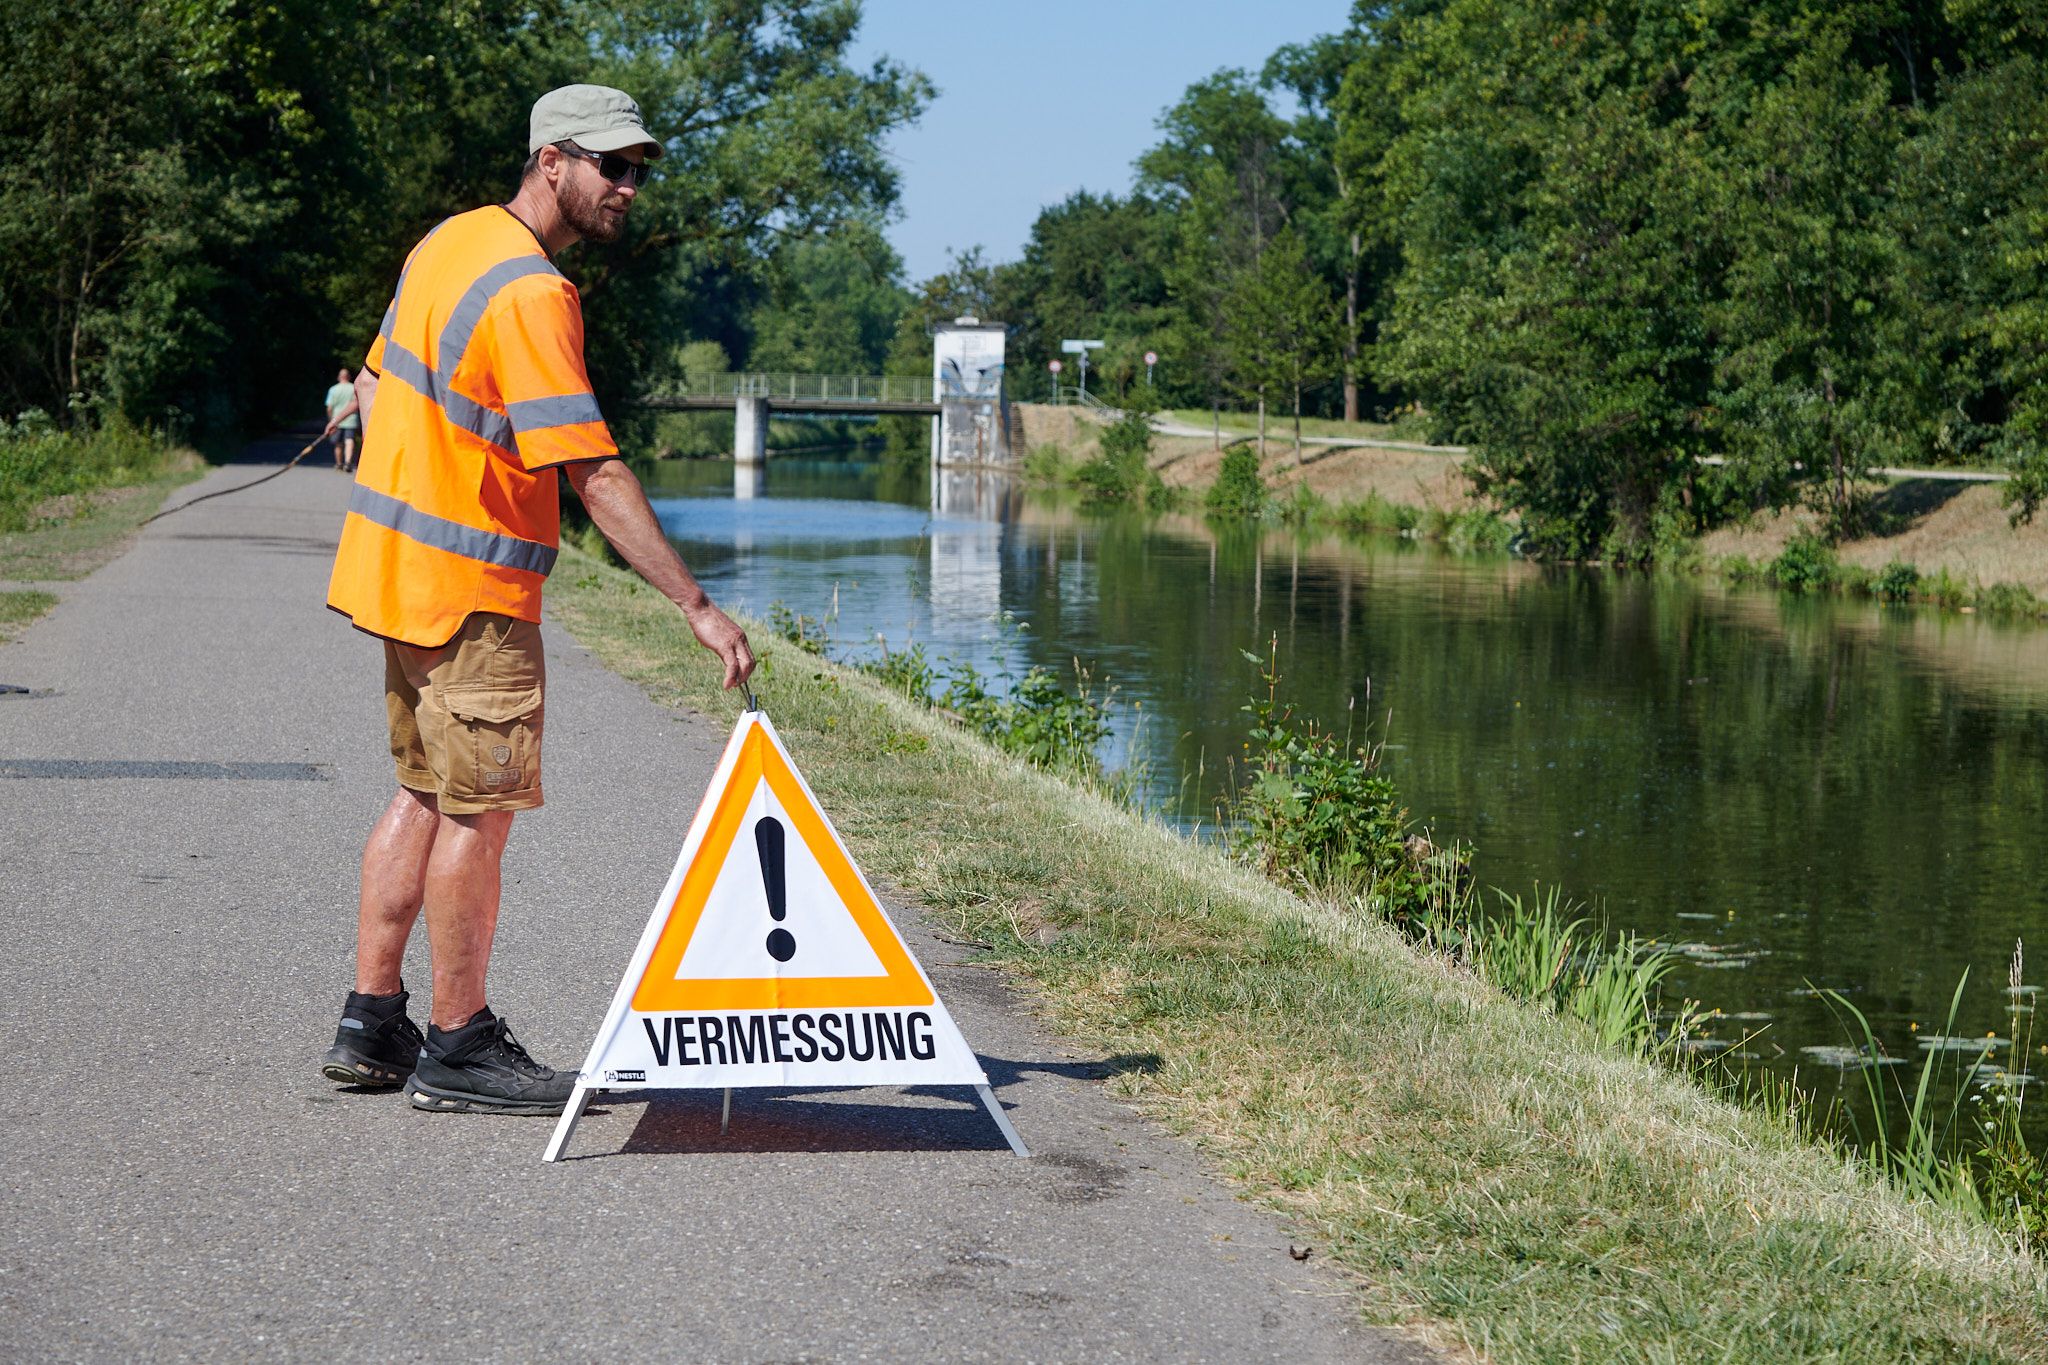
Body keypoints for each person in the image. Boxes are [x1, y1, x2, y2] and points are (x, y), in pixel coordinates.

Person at [320, 84, 754, 1115]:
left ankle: (371, 1023)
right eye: (612, 167)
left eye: (639, 170)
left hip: (396, 576)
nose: (629, 188)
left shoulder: (450, 242)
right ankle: (459, 1044)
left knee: (424, 793)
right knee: (480, 810)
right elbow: (593, 473)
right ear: (550, 160)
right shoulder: (532, 292)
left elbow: (381, 385)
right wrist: (696, 603)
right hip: (472, 594)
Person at [322, 367, 361, 471]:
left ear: (339, 377)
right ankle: (347, 462)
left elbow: (329, 408)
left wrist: (331, 420)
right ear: (348, 377)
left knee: (338, 443)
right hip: (351, 420)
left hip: (337, 420)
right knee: (349, 441)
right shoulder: (354, 388)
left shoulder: (333, 389)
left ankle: (339, 463)